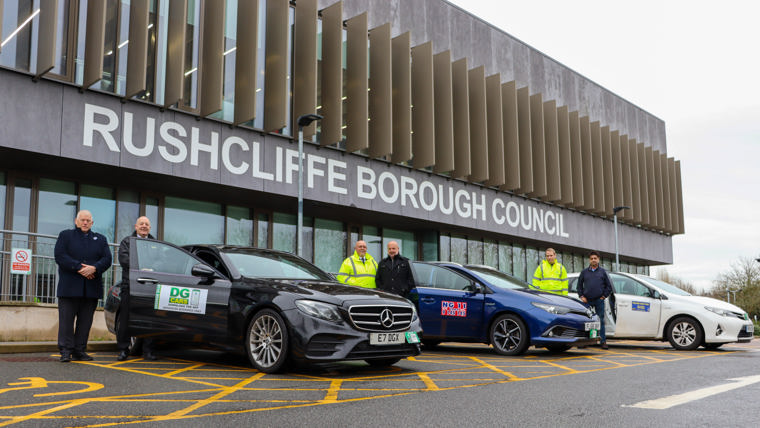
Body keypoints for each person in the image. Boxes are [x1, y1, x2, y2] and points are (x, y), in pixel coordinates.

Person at [54, 210, 112, 362]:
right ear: (76, 221)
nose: (85, 222)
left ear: (92, 223)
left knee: (85, 322)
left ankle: (79, 350)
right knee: (66, 322)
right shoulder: (65, 235)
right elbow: (60, 256)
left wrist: (94, 268)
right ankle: (65, 351)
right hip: (69, 288)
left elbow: (107, 259)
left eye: (88, 220)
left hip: (91, 289)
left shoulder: (101, 239)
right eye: (82, 220)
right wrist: (80, 267)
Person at [116, 216, 157, 361]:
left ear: (150, 227)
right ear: (136, 226)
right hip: (131, 286)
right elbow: (124, 259)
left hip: (151, 287)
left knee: (149, 320)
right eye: (141, 224)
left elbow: (161, 260)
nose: (144, 226)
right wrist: (141, 268)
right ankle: (123, 350)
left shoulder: (155, 243)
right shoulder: (127, 242)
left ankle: (148, 351)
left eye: (147, 224)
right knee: (126, 319)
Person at [576, 251, 614, 349]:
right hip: (587, 301)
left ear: (598, 259)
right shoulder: (584, 272)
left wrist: (603, 296)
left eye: (595, 258)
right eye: (592, 258)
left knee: (600, 321)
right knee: (586, 321)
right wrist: (581, 296)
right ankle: (584, 342)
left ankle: (603, 341)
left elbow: (609, 286)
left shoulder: (603, 272)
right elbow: (579, 286)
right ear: (589, 260)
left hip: (599, 300)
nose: (593, 260)